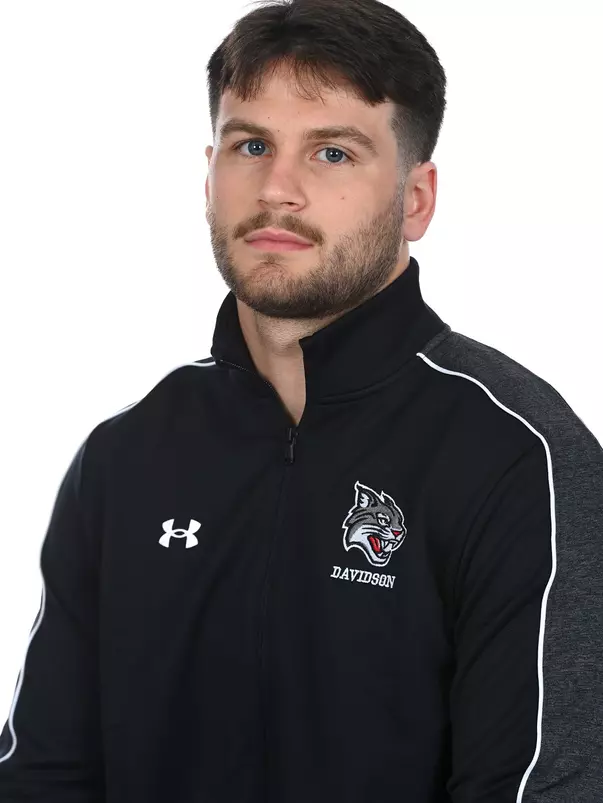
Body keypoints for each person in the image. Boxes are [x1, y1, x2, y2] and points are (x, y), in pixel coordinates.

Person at [1, 0, 602, 800]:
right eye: (250, 144)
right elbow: (43, 773)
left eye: (331, 152)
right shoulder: (127, 454)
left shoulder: (517, 457)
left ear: (415, 199)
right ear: (208, 172)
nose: (277, 188)